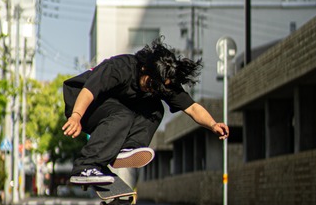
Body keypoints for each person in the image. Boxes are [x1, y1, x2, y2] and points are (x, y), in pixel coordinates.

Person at [60, 37, 229, 184]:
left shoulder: (162, 82)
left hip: (110, 107)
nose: (151, 89)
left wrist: (213, 124)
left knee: (155, 108)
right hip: (82, 101)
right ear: (144, 69)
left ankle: (128, 149)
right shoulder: (121, 67)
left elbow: (192, 108)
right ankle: (86, 165)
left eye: (156, 88)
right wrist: (76, 116)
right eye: (150, 84)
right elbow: (90, 91)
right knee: (123, 115)